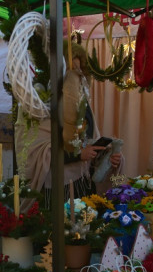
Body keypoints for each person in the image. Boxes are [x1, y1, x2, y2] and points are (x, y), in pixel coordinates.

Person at [17, 55, 120, 205]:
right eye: (70, 70)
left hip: (82, 182)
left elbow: (89, 141)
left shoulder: (81, 101)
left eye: (79, 71)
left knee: (83, 224)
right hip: (56, 187)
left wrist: (106, 156)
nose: (76, 75)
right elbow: (36, 152)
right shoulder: (39, 104)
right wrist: (78, 155)